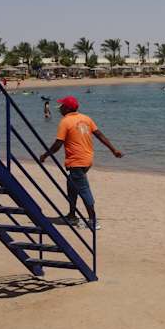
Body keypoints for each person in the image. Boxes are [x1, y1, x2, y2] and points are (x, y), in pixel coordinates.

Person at [39, 96, 122, 230]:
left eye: (61, 106)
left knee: (83, 190)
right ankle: (72, 215)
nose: (59, 109)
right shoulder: (86, 118)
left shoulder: (65, 122)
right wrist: (114, 150)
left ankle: (93, 221)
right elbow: (100, 135)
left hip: (76, 161)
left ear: (67, 108)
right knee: (71, 186)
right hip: (87, 160)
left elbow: (58, 144)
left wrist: (45, 155)